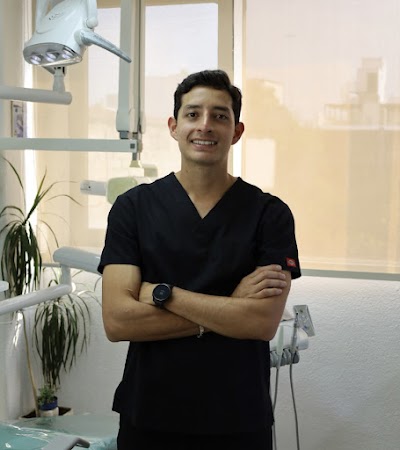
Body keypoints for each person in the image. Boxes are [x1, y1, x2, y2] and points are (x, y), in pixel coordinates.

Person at [98, 69, 301, 450]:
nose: (205, 125)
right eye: (193, 114)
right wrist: (231, 306)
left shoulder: (269, 214)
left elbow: (260, 322)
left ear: (236, 131)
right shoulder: (133, 208)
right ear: (174, 127)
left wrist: (163, 294)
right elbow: (118, 320)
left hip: (238, 418)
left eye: (219, 116)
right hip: (150, 414)